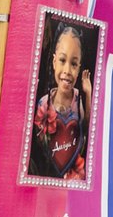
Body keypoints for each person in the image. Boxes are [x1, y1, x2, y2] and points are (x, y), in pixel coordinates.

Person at [28, 23, 91, 181]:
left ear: (79, 68)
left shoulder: (80, 99)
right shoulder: (44, 103)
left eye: (74, 64)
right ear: (54, 61)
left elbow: (87, 124)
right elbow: (37, 139)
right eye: (62, 60)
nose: (67, 71)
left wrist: (88, 93)